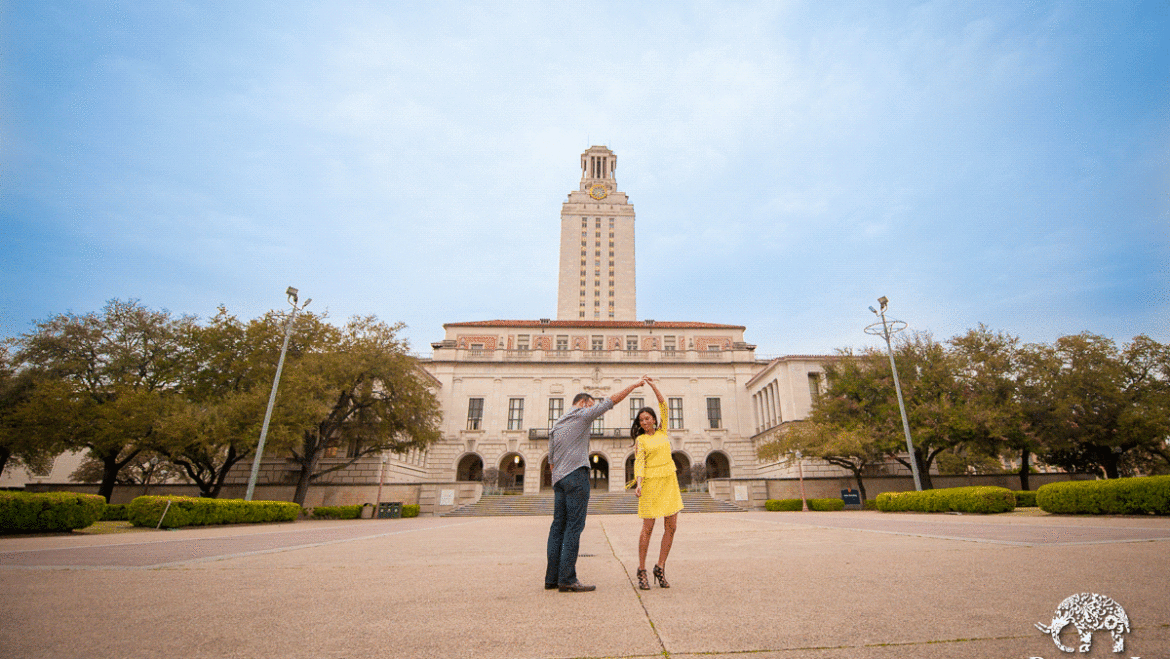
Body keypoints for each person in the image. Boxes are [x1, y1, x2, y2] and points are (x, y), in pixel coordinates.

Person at [545, 377, 645, 593]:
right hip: (576, 477)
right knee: (574, 527)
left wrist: (560, 475)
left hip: (559, 481)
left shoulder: (557, 425)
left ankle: (551, 578)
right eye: (591, 405)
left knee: (557, 528)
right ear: (583, 403)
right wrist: (634, 384)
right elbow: (611, 401)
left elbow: (551, 463)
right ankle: (567, 579)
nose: (593, 411)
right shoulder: (582, 414)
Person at [629, 376, 683, 590]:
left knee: (671, 526)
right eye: (641, 420)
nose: (645, 421)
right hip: (651, 484)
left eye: (648, 418)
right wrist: (639, 483)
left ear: (653, 419)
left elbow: (664, 406)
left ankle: (660, 566)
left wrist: (652, 385)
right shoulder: (641, 440)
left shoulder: (663, 431)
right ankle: (641, 569)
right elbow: (639, 463)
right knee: (648, 528)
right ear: (639, 424)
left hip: (669, 481)